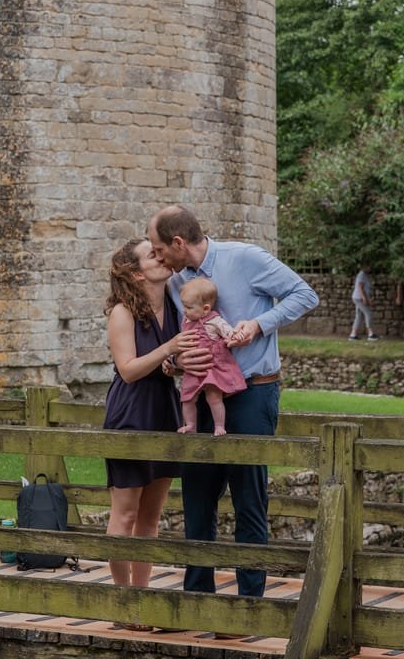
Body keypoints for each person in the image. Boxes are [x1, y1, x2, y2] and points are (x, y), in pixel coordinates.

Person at [147, 205, 318, 601]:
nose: (156, 257)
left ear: (177, 242)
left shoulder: (245, 258)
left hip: (253, 393)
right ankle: (197, 601)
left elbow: (305, 294)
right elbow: (179, 341)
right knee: (197, 500)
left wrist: (259, 325)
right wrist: (175, 361)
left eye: (158, 249)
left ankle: (248, 604)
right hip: (200, 399)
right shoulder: (176, 284)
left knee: (248, 499)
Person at [102, 237, 198, 619]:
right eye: (151, 254)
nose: (161, 257)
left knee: (151, 516)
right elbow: (127, 370)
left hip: (164, 409)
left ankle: (143, 599)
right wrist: (170, 346)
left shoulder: (174, 308)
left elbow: (168, 365)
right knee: (125, 513)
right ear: (137, 273)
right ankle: (123, 602)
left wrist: (177, 364)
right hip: (130, 411)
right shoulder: (123, 312)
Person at [177, 276, 247, 436]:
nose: (184, 310)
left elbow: (228, 332)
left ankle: (219, 426)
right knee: (187, 398)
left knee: (214, 397)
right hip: (193, 368)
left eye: (188, 307)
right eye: (183, 305)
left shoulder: (214, 321)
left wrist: (235, 335)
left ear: (206, 308)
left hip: (212, 367)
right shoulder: (186, 320)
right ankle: (190, 425)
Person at [349, 263, 378, 340]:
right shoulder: (362, 274)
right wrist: (365, 298)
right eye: (369, 266)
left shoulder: (365, 275)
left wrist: (367, 298)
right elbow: (360, 287)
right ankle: (370, 334)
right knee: (368, 313)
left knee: (359, 315)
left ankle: (353, 335)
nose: (370, 268)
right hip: (359, 298)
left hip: (358, 297)